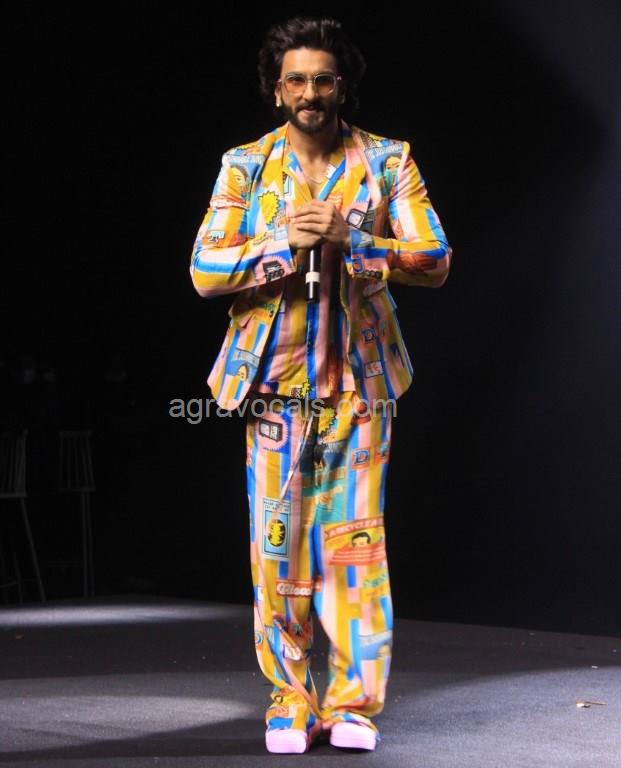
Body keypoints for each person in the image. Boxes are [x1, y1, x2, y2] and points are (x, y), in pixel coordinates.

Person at [189, 16, 452, 754]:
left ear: (343, 86)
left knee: (354, 549)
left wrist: (353, 239)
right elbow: (205, 270)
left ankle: (353, 705)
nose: (310, 93)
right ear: (277, 90)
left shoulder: (388, 161)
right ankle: (289, 698)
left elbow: (434, 258)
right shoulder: (245, 167)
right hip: (273, 391)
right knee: (276, 548)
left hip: (360, 390)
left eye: (323, 79)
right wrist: (283, 242)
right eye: (296, 80)